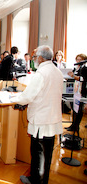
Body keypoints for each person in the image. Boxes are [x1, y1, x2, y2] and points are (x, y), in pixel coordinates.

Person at [10, 45, 63, 184]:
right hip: (52, 117)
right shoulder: (57, 71)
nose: (34, 60)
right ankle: (42, 180)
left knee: (38, 154)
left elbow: (28, 96)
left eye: (35, 57)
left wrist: (12, 98)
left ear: (40, 57)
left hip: (41, 119)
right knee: (47, 154)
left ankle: (35, 180)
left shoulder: (41, 73)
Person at [65, 54, 87, 133]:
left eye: (80, 59)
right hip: (74, 90)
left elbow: (83, 79)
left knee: (78, 109)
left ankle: (76, 125)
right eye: (77, 59)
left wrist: (74, 76)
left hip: (81, 91)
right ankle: (73, 124)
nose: (78, 61)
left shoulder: (85, 68)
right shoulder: (76, 67)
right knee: (74, 108)